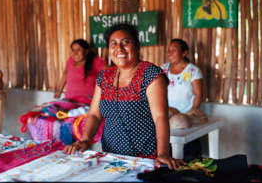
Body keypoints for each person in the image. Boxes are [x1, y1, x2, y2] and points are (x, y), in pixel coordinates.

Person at [63, 23, 185, 170]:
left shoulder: (151, 74)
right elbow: (94, 114)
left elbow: (160, 117)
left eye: (125, 42)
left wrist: (163, 153)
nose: (119, 49)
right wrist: (85, 140)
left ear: (137, 46)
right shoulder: (104, 77)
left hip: (144, 159)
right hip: (111, 158)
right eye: (113, 44)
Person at [161, 38, 206, 160]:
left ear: (184, 53)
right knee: (168, 150)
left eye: (173, 50)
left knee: (189, 154)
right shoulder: (163, 69)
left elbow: (198, 95)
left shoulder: (193, 71)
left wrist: (191, 113)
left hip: (187, 116)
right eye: (169, 50)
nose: (169, 53)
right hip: (167, 115)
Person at [54, 39, 106, 104]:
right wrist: (59, 91)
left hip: (88, 101)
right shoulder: (70, 61)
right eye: (73, 50)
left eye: (78, 50)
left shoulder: (95, 61)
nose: (75, 53)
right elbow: (65, 75)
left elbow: (110, 73)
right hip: (70, 100)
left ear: (86, 51)